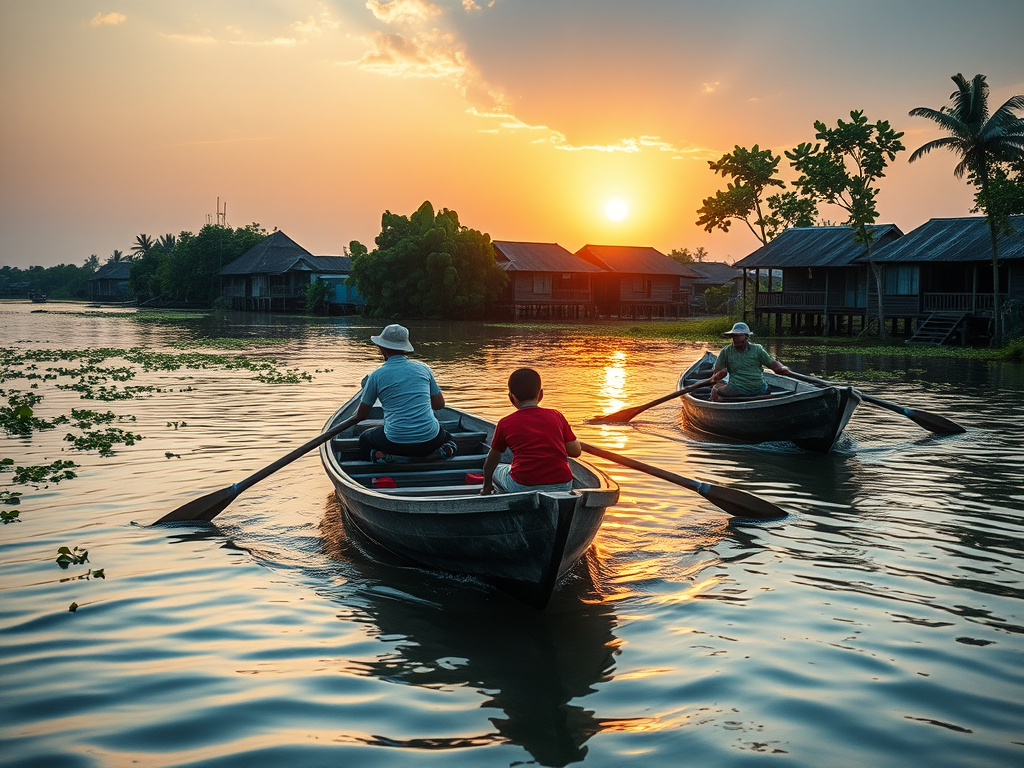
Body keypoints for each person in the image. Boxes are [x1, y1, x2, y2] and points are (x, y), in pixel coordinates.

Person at [339, 324, 456, 463]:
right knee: (448, 438)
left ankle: (385, 457)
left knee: (365, 438)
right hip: (429, 441)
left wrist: (350, 419)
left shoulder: (376, 376)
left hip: (395, 443)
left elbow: (361, 416)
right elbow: (439, 405)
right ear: (404, 349)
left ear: (382, 348)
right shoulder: (423, 369)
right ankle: (442, 451)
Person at [480, 368, 582, 495]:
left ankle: (501, 494)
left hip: (522, 485)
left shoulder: (505, 423)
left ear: (511, 397)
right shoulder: (557, 416)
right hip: (563, 484)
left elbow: (491, 461)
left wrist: (486, 487)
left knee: (497, 469)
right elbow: (575, 451)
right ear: (541, 395)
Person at [710, 322, 790, 401]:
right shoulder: (726, 351)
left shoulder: (757, 350)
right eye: (733, 336)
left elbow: (774, 365)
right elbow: (718, 371)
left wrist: (782, 368)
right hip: (748, 389)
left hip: (755, 388)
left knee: (717, 390)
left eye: (739, 336)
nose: (735, 339)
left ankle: (714, 401)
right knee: (719, 388)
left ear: (746, 337)